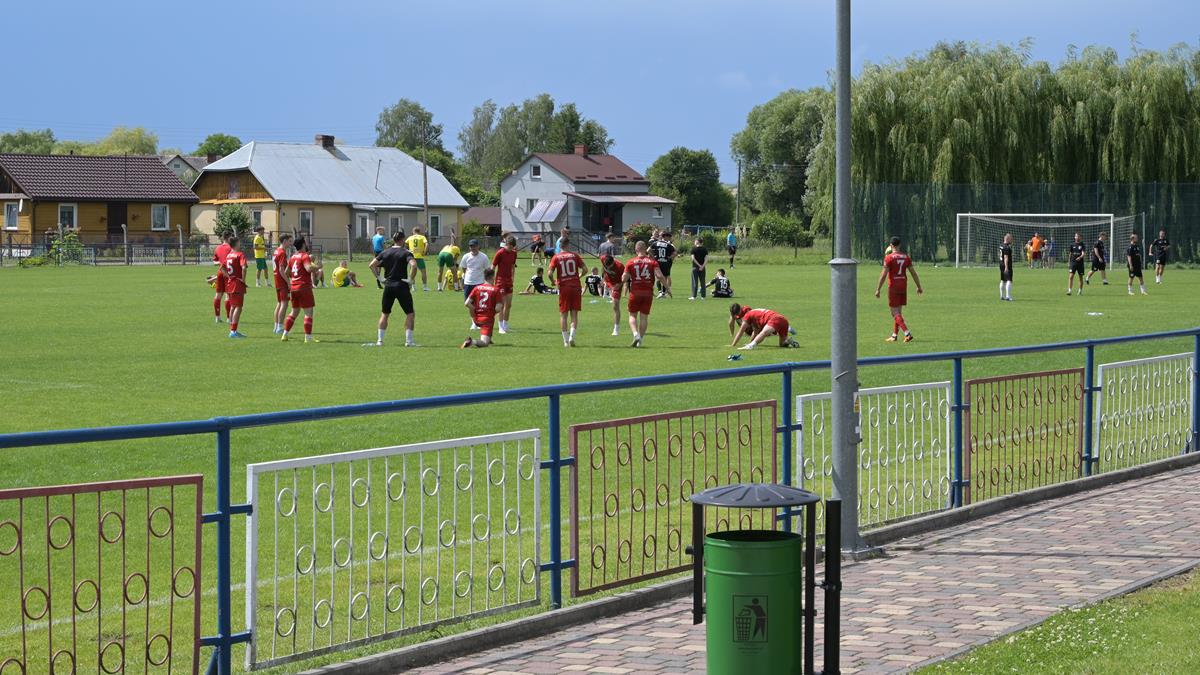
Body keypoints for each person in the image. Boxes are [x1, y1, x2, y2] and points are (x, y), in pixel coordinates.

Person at [367, 230, 418, 347]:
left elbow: (372, 265)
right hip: (401, 286)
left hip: (388, 286)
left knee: (385, 314)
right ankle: (409, 341)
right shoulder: (406, 252)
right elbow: (414, 265)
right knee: (410, 313)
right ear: (402, 240)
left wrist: (380, 278)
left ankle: (380, 341)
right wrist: (410, 279)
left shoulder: (385, 252)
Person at [874, 236, 923, 343]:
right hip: (903, 285)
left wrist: (878, 289)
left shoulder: (889, 258)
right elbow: (913, 273)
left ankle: (907, 333)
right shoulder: (906, 257)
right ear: (900, 245)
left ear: (891, 245)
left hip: (893, 286)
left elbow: (883, 274)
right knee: (898, 312)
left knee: (894, 313)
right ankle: (894, 335)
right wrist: (919, 286)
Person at [622, 240, 667, 347]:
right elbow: (660, 276)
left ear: (636, 249)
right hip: (648, 293)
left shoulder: (630, 262)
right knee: (644, 317)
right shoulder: (652, 262)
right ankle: (640, 340)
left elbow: (624, 278)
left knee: (632, 315)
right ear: (645, 249)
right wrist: (667, 288)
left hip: (635, 292)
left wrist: (623, 277)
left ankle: (635, 334)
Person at [282, 236, 322, 342]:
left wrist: (295, 278)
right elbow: (308, 268)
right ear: (303, 244)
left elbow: (286, 272)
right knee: (308, 313)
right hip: (304, 287)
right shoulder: (304, 256)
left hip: (294, 288)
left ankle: (285, 334)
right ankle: (308, 337)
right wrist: (318, 267)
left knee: (294, 312)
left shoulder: (292, 257)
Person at [549, 237, 585, 347]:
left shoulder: (556, 257)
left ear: (560, 246)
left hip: (564, 288)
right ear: (568, 245)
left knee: (563, 315)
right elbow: (585, 269)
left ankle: (565, 341)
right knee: (574, 314)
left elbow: (549, 273)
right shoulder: (575, 256)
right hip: (575, 286)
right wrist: (579, 276)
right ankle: (572, 337)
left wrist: (553, 282)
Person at [728, 304, 799, 350]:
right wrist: (750, 342)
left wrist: (733, 345)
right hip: (783, 320)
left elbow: (741, 331)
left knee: (764, 333)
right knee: (782, 344)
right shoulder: (754, 315)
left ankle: (750, 346)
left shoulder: (747, 315)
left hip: (775, 319)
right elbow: (755, 332)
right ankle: (788, 341)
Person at [462, 268, 500, 349]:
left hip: (476, 318)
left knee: (487, 334)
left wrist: (474, 310)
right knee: (485, 343)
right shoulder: (496, 290)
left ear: (484, 277)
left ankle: (488, 337)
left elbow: (467, 303)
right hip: (487, 319)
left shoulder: (477, 288)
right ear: (493, 277)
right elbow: (498, 309)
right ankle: (472, 342)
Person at [492, 235, 518, 333]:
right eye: (509, 246)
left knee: (509, 305)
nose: (510, 248)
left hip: (508, 281)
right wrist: (491, 280)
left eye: (512, 247)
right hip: (500, 281)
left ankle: (505, 325)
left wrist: (513, 277)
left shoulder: (514, 253)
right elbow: (493, 266)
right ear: (506, 244)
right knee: (501, 305)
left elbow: (513, 266)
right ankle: (500, 327)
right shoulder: (500, 253)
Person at [224, 237, 248, 338]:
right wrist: (243, 280)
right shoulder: (240, 254)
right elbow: (244, 267)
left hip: (230, 283)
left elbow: (222, 268)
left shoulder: (228, 255)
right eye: (239, 242)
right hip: (237, 284)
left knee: (233, 306)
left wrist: (229, 277)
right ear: (237, 243)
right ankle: (233, 331)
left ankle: (232, 329)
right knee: (238, 307)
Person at [271, 234, 293, 334]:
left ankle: (276, 327)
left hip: (277, 280)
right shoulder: (282, 253)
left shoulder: (276, 251)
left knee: (279, 303)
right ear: (284, 241)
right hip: (282, 281)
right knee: (284, 303)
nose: (290, 243)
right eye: (289, 241)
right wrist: (288, 282)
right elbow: (281, 269)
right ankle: (280, 327)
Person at [601, 254, 626, 336]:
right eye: (607, 266)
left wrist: (620, 284)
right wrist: (603, 276)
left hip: (616, 284)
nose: (608, 268)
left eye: (610, 266)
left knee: (615, 305)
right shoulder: (603, 259)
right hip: (608, 282)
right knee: (614, 303)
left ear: (613, 262)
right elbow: (603, 266)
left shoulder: (620, 267)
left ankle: (616, 329)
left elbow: (625, 278)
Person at [211, 235, 232, 323]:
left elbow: (214, 262)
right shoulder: (231, 248)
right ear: (229, 238)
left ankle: (217, 317)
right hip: (229, 273)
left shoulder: (218, 248)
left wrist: (220, 263)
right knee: (228, 295)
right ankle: (228, 318)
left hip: (220, 273)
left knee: (218, 295)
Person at [649, 230, 676, 298]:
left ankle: (660, 292)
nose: (669, 238)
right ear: (665, 237)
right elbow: (675, 253)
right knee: (665, 277)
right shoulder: (668, 245)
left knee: (658, 277)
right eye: (669, 237)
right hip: (665, 263)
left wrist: (654, 256)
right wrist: (670, 257)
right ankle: (663, 293)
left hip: (657, 262)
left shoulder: (656, 243)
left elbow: (648, 250)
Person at [405, 226, 430, 291]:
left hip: (411, 257)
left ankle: (413, 287)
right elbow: (427, 244)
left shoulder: (410, 237)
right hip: (419, 256)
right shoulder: (422, 237)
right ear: (419, 231)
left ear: (413, 232)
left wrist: (407, 251)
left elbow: (404, 244)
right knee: (423, 272)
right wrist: (424, 252)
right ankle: (424, 287)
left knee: (412, 272)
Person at [999, 233, 1014, 301]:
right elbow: (1006, 257)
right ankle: (1008, 296)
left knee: (1003, 280)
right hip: (1006, 265)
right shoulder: (1006, 247)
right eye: (1011, 239)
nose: (1012, 240)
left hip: (1001, 264)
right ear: (1007, 239)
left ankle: (1002, 296)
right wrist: (1006, 267)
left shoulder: (1001, 245)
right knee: (1009, 280)